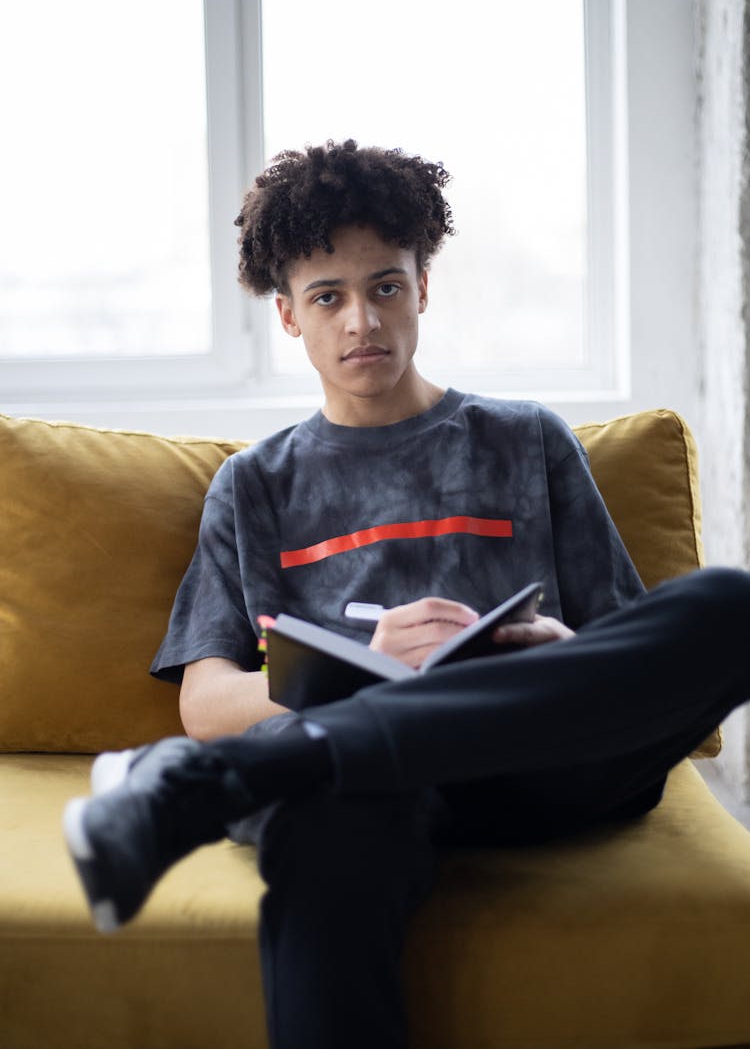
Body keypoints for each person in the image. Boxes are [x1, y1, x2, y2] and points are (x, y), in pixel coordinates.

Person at [63, 139, 750, 1049]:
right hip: (370, 795)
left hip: (538, 762)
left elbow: (624, 648)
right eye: (328, 297)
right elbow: (204, 697)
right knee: (327, 834)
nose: (362, 321)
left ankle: (228, 782)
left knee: (730, 607)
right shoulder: (253, 487)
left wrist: (554, 647)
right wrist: (372, 666)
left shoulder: (527, 440)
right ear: (287, 317)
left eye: (386, 286)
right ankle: (295, 762)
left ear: (423, 287)